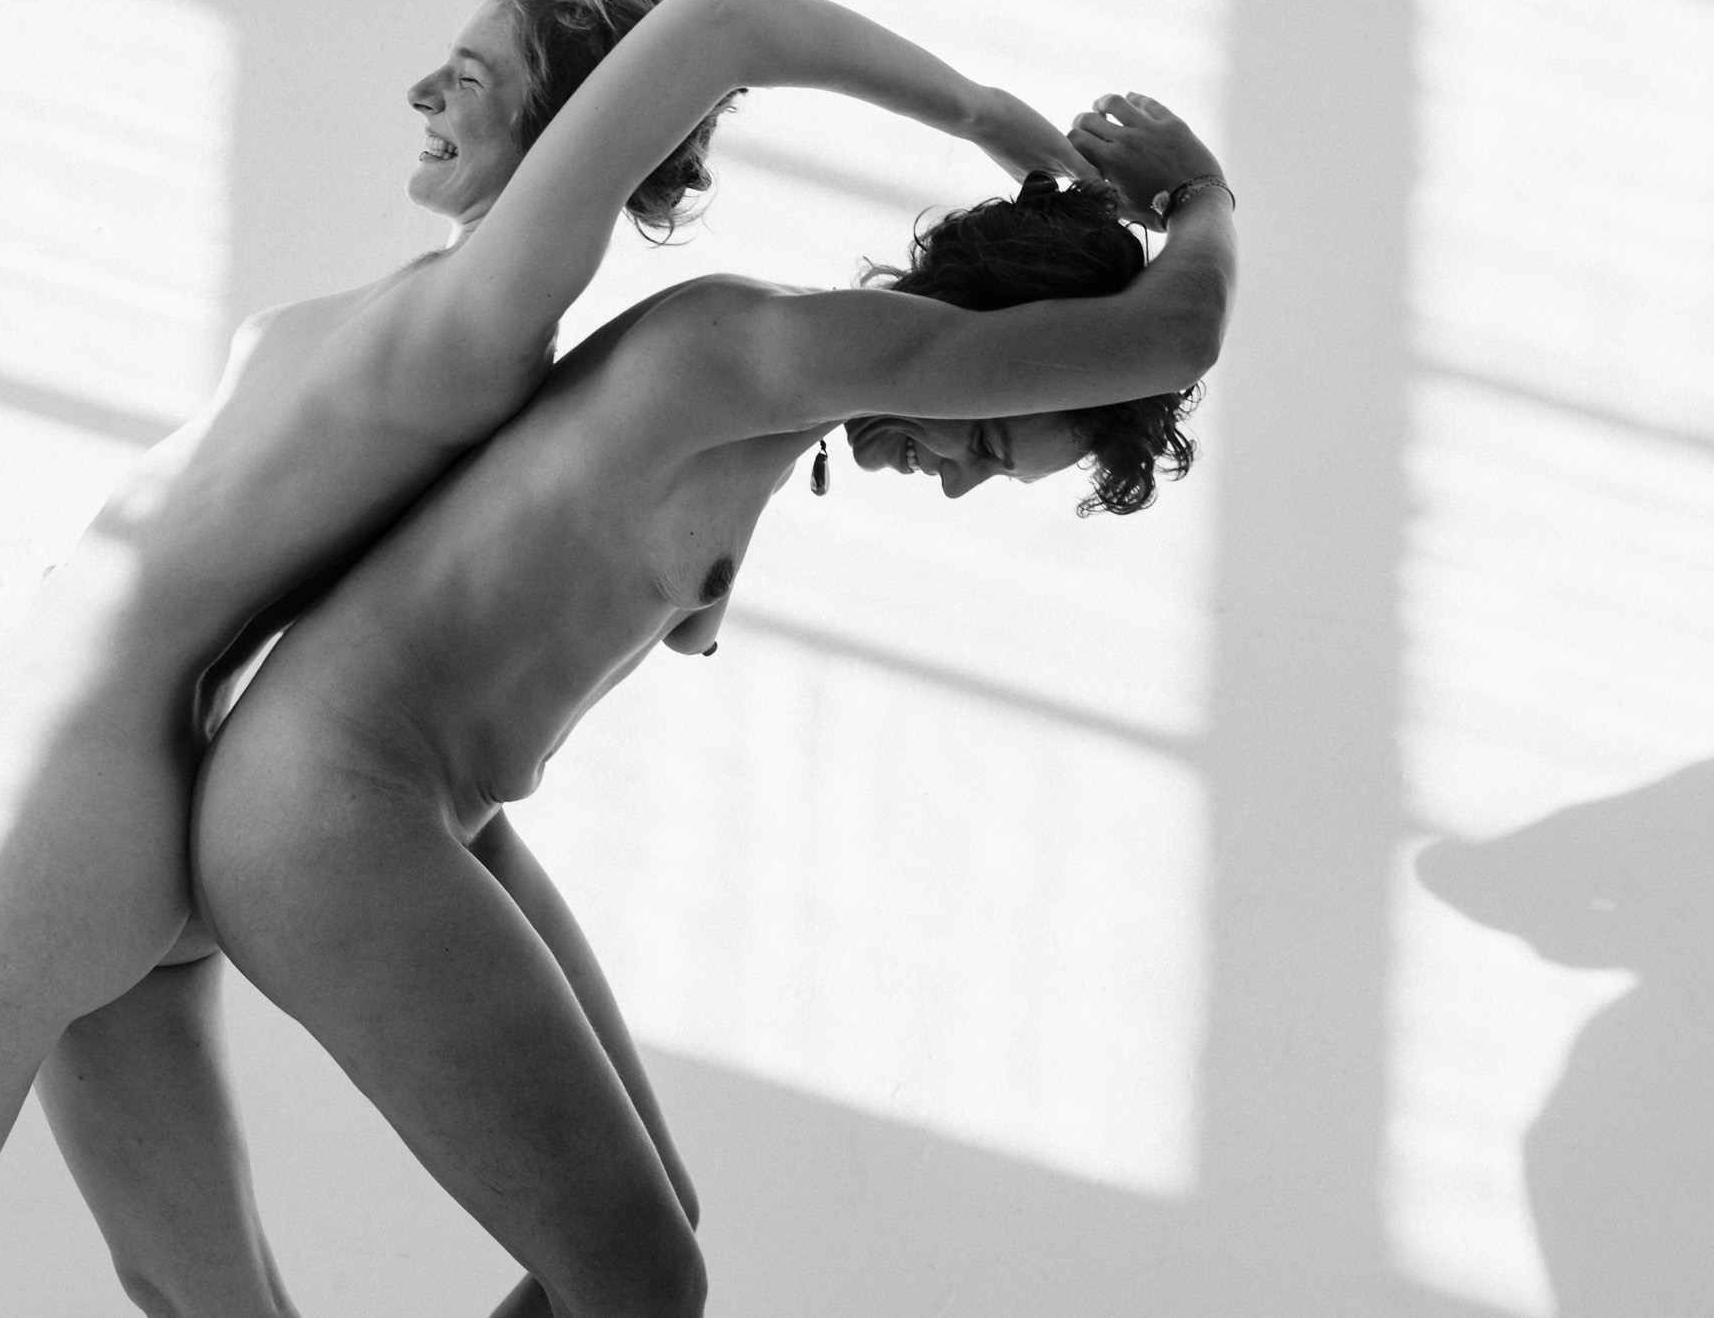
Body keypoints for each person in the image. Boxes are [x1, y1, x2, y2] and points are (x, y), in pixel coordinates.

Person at [0, 0, 1097, 1318]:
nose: (422, 93)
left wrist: (986, 114)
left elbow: (729, 17)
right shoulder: (482, 327)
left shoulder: (490, 312)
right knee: (196, 1295)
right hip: (152, 802)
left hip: (56, 789)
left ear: (573, 131)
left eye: (469, 78)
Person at [184, 83, 1234, 1318]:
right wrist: (1198, 196)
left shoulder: (784, 403)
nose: (956, 483)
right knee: (642, 1279)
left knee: (645, 1243)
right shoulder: (763, 345)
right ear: (982, 337)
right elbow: (1177, 334)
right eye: (990, 444)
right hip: (331, 803)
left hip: (430, 809)